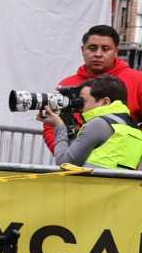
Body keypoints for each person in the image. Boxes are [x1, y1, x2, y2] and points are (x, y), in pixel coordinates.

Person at [42, 24, 142, 153]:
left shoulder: (137, 80)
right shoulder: (67, 85)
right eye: (92, 48)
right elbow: (51, 126)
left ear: (116, 52)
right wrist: (66, 154)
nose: (98, 54)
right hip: (74, 161)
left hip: (124, 162)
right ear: (82, 50)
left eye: (105, 49)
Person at [41, 74, 142, 169]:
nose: (80, 107)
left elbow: (64, 163)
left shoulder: (98, 124)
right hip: (118, 182)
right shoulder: (133, 128)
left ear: (105, 102)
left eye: (83, 101)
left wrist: (59, 126)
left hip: (91, 182)